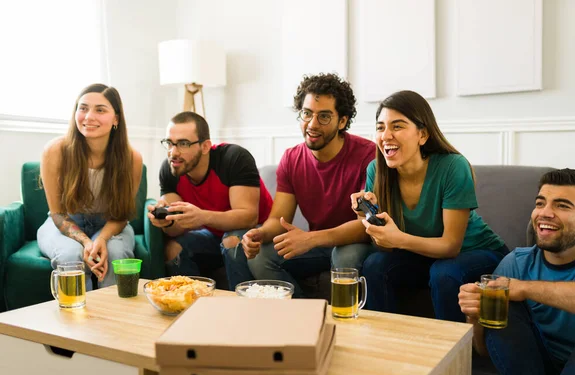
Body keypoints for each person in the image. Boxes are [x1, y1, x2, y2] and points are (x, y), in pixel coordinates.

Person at [353, 90, 508, 321]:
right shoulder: (376, 170)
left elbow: (450, 247)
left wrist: (398, 239)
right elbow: (383, 245)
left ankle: (451, 354)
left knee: (443, 273)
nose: (386, 135)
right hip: (422, 255)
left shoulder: (453, 167)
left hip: (476, 252)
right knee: (375, 264)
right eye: (380, 127)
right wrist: (363, 215)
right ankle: (383, 346)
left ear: (422, 135)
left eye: (397, 126)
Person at [223, 73, 377, 297]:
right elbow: (278, 219)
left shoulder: (367, 156)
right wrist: (258, 234)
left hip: (353, 241)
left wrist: (310, 238)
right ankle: (304, 316)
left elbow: (365, 225)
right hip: (315, 243)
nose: (312, 124)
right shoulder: (291, 158)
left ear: (342, 121)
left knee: (345, 257)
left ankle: (346, 325)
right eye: (307, 114)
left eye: (324, 116)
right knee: (260, 257)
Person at [459, 168, 575, 375]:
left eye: (562, 205)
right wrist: (474, 316)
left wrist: (524, 289)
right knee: (504, 308)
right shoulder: (516, 263)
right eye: (540, 203)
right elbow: (485, 349)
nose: (544, 213)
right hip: (536, 374)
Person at [38, 83, 143, 291]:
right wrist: (87, 242)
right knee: (70, 255)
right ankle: (76, 319)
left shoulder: (132, 159)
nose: (88, 116)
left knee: (115, 255)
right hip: (64, 222)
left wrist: (102, 238)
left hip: (110, 224)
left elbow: (122, 215)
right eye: (83, 108)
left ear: (116, 119)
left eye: (100, 110)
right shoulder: (55, 151)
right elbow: (58, 214)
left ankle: (111, 319)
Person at [147, 112, 273, 285]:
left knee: (231, 241)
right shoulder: (170, 169)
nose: (173, 152)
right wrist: (167, 221)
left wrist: (203, 216)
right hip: (213, 234)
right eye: (169, 143)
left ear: (205, 146)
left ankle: (241, 307)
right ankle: (192, 303)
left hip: (260, 232)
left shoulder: (234, 159)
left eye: (183, 144)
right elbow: (175, 228)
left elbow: (248, 217)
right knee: (173, 249)